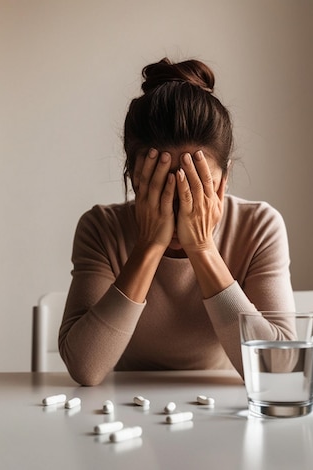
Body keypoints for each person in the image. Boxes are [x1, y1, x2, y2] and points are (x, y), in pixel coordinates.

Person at [58, 57, 295, 386]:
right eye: (159, 187)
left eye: (198, 186)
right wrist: (149, 245)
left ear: (224, 182)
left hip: (223, 408)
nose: (180, 207)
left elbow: (276, 368)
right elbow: (86, 368)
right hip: (125, 409)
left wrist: (202, 247)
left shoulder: (258, 226)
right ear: (134, 180)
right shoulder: (101, 228)